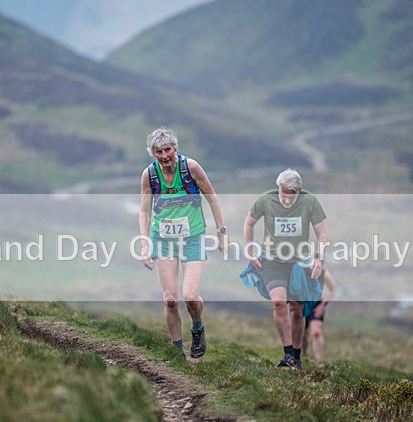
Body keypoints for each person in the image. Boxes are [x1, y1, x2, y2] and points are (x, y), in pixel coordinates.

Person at [138, 127, 227, 359]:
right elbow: (145, 210)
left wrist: (221, 232)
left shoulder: (191, 168)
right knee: (170, 300)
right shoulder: (150, 175)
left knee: (190, 295)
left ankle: (197, 326)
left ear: (175, 148)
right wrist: (145, 243)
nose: (164, 155)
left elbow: (212, 197)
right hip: (164, 239)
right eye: (159, 151)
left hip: (192, 238)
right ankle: (177, 351)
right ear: (153, 153)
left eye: (167, 149)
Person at [243, 168, 327, 370]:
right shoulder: (265, 200)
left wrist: (319, 259)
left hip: (300, 263)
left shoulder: (310, 202)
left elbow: (321, 234)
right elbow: (249, 223)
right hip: (272, 261)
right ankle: (288, 354)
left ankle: (297, 357)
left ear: (300, 191)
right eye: (284, 194)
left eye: (293, 195)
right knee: (279, 303)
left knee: (297, 311)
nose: (288, 200)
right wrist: (249, 249)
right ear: (278, 188)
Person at [301, 268, 337, 362]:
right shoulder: (300, 270)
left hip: (317, 304)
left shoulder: (324, 273)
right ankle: (303, 355)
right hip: (303, 303)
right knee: (303, 335)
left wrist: (323, 305)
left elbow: (333, 290)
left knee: (316, 332)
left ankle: (319, 361)